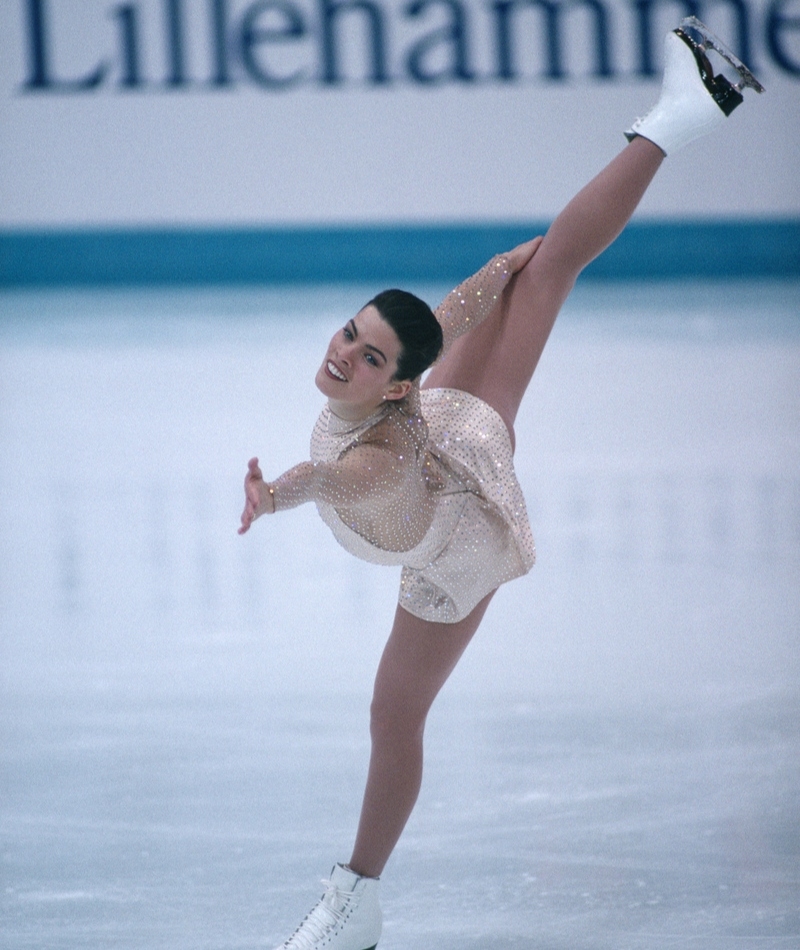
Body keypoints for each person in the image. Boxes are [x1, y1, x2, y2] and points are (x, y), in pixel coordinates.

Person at [238, 18, 762, 950]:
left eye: (364, 356)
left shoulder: (384, 447)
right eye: (346, 335)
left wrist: (274, 495)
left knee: (392, 713)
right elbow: (450, 313)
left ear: (399, 385)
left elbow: (330, 473)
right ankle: (684, 114)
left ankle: (353, 904)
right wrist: (516, 261)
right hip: (439, 476)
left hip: (457, 529)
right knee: (544, 265)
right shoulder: (406, 381)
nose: (342, 355)